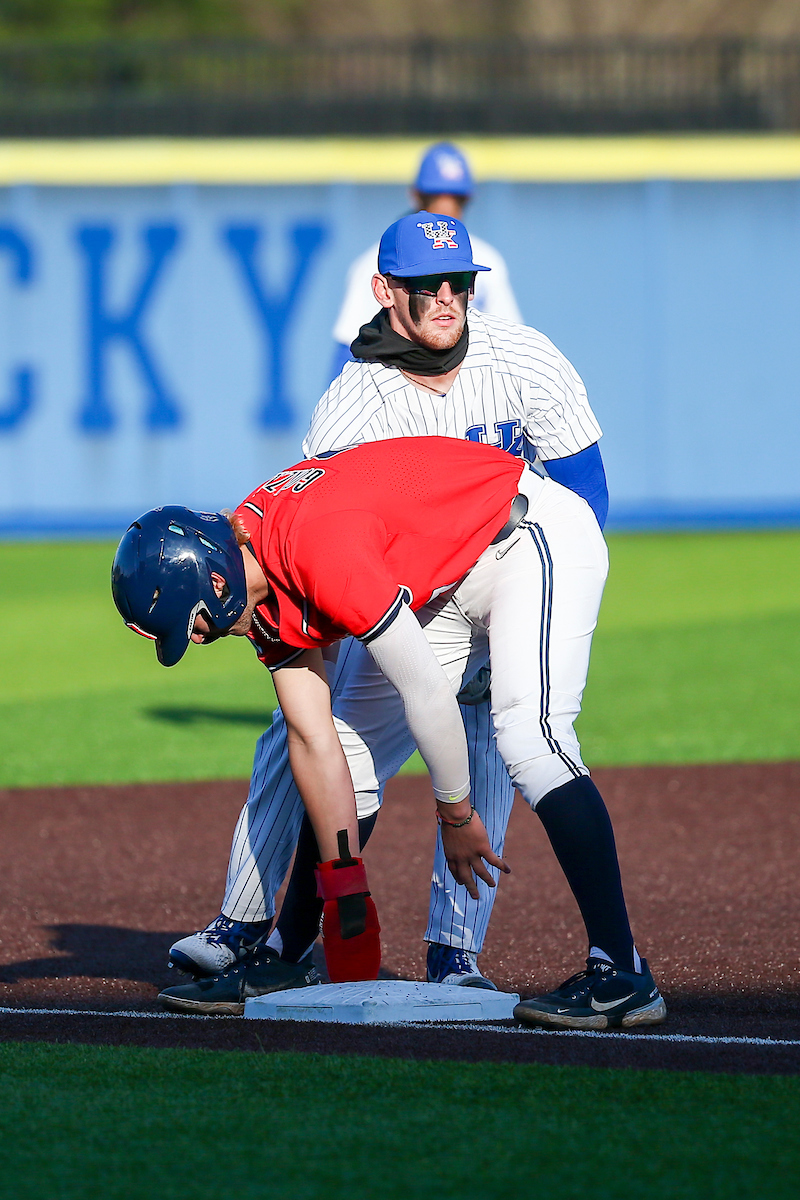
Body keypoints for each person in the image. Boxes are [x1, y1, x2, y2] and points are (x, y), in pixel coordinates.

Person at [166, 211, 610, 1001]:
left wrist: (527, 625)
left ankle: (469, 956)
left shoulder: (525, 356)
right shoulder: (353, 405)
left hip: (520, 554)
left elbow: (584, 495)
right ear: (383, 291)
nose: (446, 298)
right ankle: (266, 933)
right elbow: (329, 576)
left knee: (508, 732)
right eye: (425, 285)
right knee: (325, 732)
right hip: (412, 590)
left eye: (459, 283)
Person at [112, 432, 666, 1030]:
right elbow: (312, 737)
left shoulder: (318, 552)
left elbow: (425, 692)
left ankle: (623, 971)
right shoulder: (258, 580)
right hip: (448, 572)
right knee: (352, 754)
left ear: (215, 584)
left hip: (527, 538)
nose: (198, 638)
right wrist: (343, 883)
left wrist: (456, 815)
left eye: (191, 624)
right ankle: (288, 956)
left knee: (531, 737)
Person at [329, 141, 521, 380]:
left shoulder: (487, 260)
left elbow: (511, 344)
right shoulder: (379, 262)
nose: (446, 207)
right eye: (435, 196)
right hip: (399, 386)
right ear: (416, 195)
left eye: (456, 198)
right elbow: (348, 348)